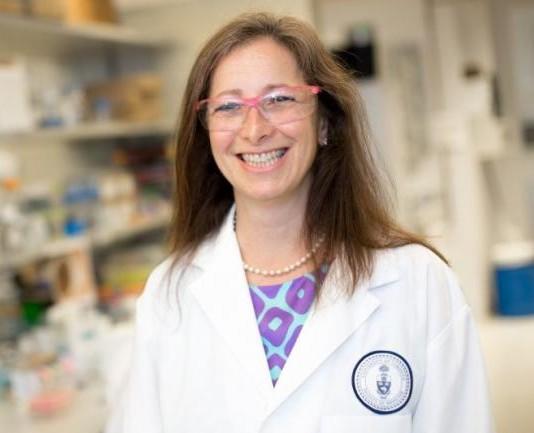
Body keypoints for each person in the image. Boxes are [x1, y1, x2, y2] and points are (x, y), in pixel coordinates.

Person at [121, 12, 494, 433]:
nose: (255, 129)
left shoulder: (418, 283)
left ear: (325, 122)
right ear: (206, 132)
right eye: (228, 107)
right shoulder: (168, 295)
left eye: (279, 99)